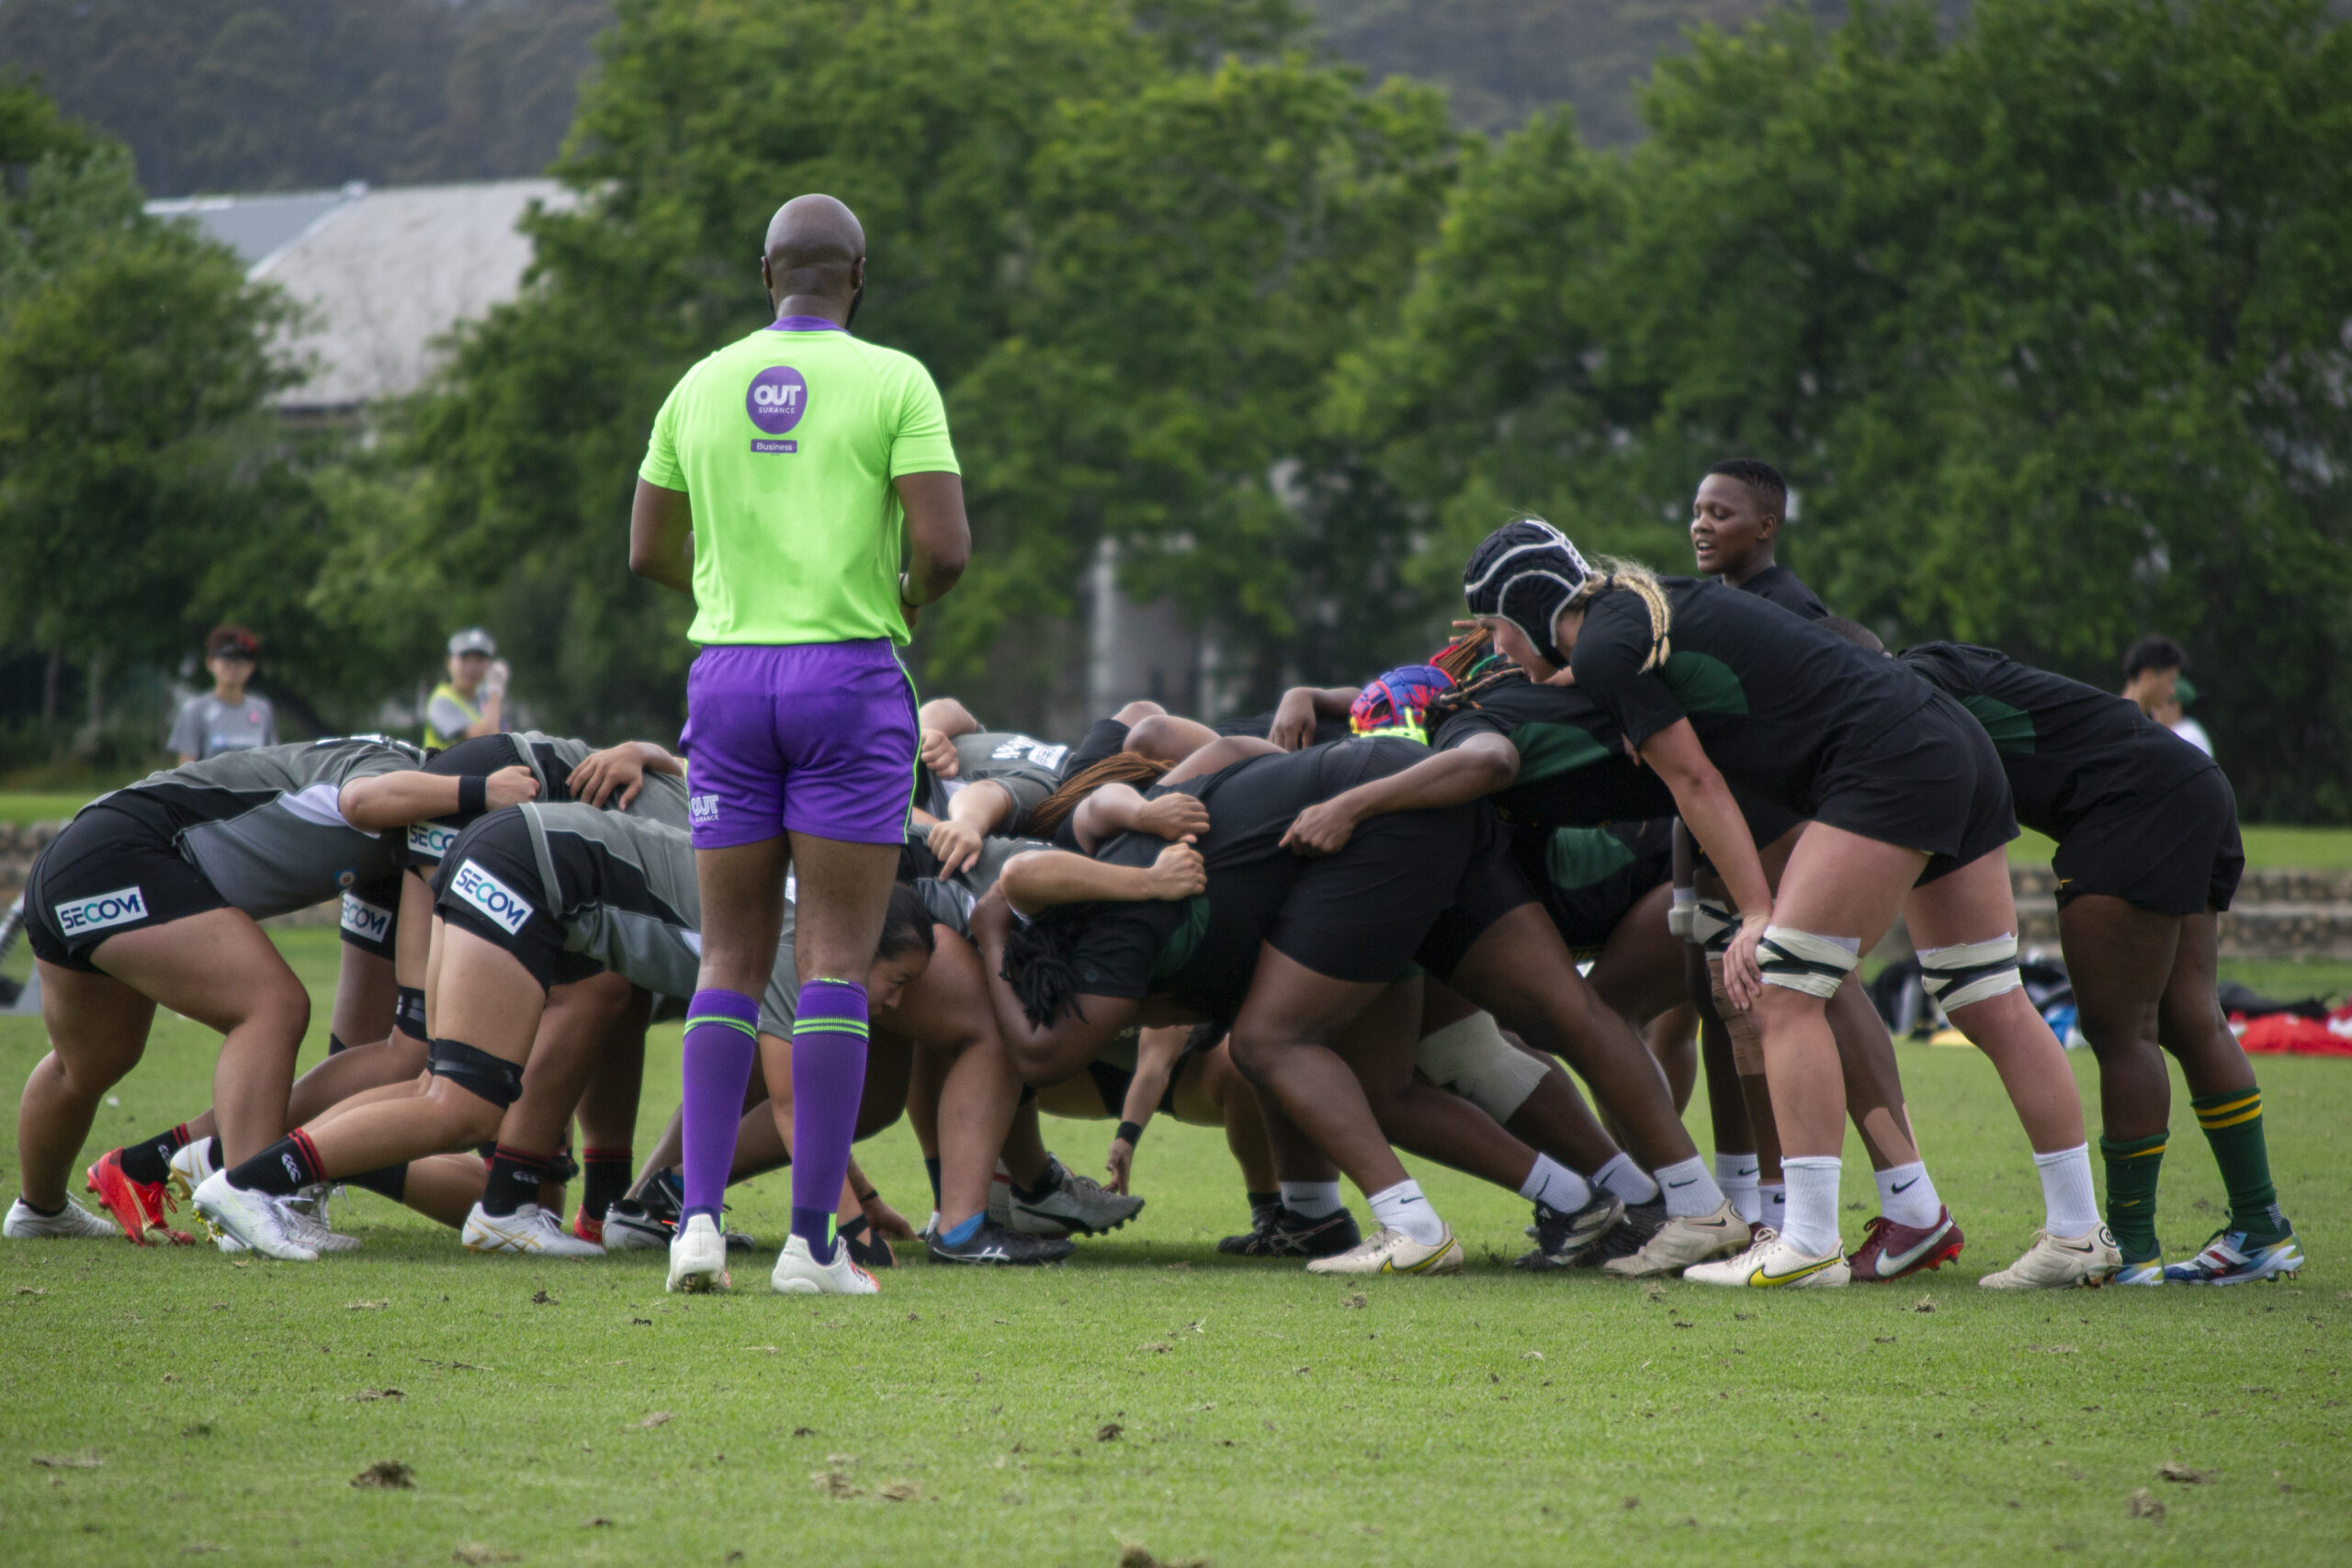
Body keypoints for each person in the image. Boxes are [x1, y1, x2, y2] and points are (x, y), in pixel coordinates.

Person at [1459, 517, 2110, 1290]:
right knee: (1988, 996)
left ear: (1529, 604)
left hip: (1886, 762)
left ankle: (1806, 1240)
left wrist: (1760, 910)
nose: (1495, 647)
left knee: (1784, 988)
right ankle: (2077, 1232)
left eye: (1496, 626)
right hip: (1949, 741)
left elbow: (1696, 783)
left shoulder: (1607, 646)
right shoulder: (1637, 611)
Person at [629, 191, 970, 1295]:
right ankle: (811, 1244)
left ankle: (692, 1226)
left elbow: (646, 549)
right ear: (856, 277)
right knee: (831, 961)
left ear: (763, 274)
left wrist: (730, 596)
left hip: (726, 678)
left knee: (726, 962)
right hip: (847, 676)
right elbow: (946, 548)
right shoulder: (895, 379)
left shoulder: (697, 382)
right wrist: (905, 601)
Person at [6, 739, 537, 1246]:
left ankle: (40, 1211)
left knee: (90, 1062)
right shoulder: (391, 767)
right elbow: (360, 799)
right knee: (272, 1005)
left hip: (83, 863)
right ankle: (251, 1199)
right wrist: (480, 791)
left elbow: (395, 1042)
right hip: (120, 854)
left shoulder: (401, 846)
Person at [1897, 637, 2298, 1284]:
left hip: (2128, 802)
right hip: (2192, 782)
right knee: (2191, 1018)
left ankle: (2130, 1247)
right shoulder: (1941, 666)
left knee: (2120, 1030)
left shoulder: (1905, 690)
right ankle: (2261, 1223)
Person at [169, 626, 277, 763]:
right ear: (210, 663)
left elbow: (272, 761)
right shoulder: (196, 709)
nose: (233, 668)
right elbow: (186, 766)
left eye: (240, 661)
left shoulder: (262, 710)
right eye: (226, 660)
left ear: (251, 666)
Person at [424, 629, 509, 750]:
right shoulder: (441, 700)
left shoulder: (485, 697)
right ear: (449, 661)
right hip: (446, 768)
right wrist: (496, 690)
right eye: (464, 659)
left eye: (479, 660)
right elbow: (485, 740)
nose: (471, 668)